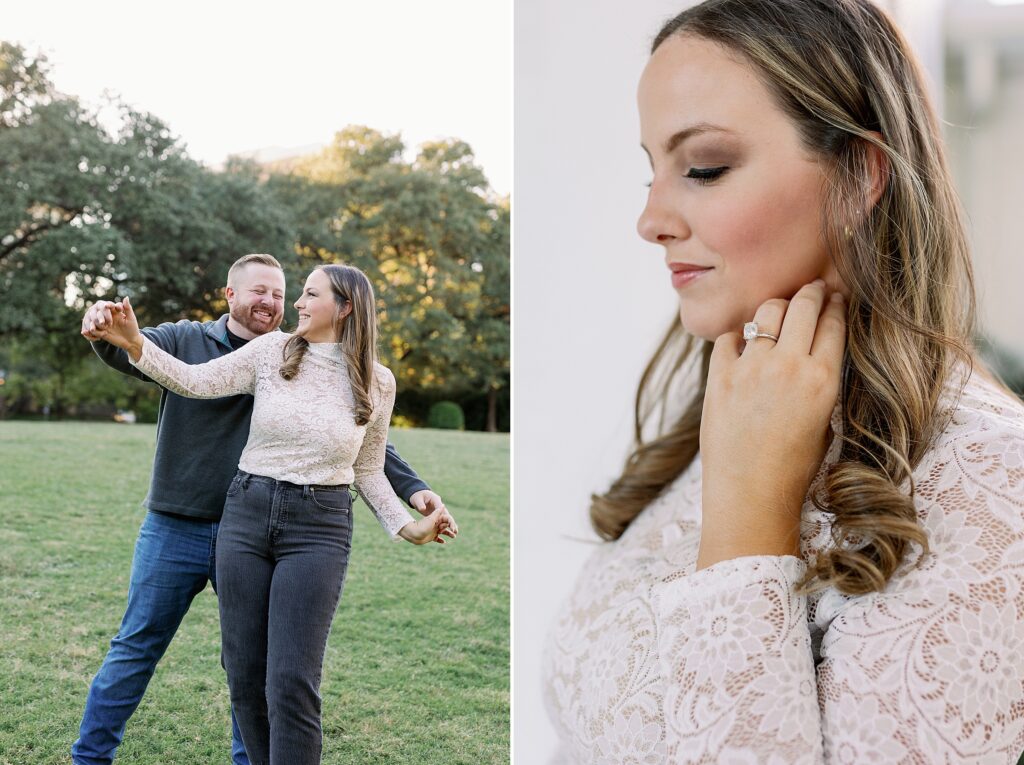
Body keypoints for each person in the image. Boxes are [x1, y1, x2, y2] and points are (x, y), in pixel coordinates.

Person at [543, 1, 1024, 763]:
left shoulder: (999, 486)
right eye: (652, 169)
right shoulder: (716, 426)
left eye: (703, 167)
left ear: (861, 175)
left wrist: (749, 519)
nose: (651, 218)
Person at [74, 254, 449, 765]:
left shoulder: (370, 378)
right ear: (231, 295)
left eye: (300, 293)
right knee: (213, 666)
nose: (287, 301)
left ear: (344, 308)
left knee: (287, 679)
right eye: (267, 291)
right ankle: (91, 758)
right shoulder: (249, 348)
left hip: (311, 526)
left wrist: (408, 516)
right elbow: (187, 377)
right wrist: (124, 337)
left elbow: (365, 459)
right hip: (219, 521)